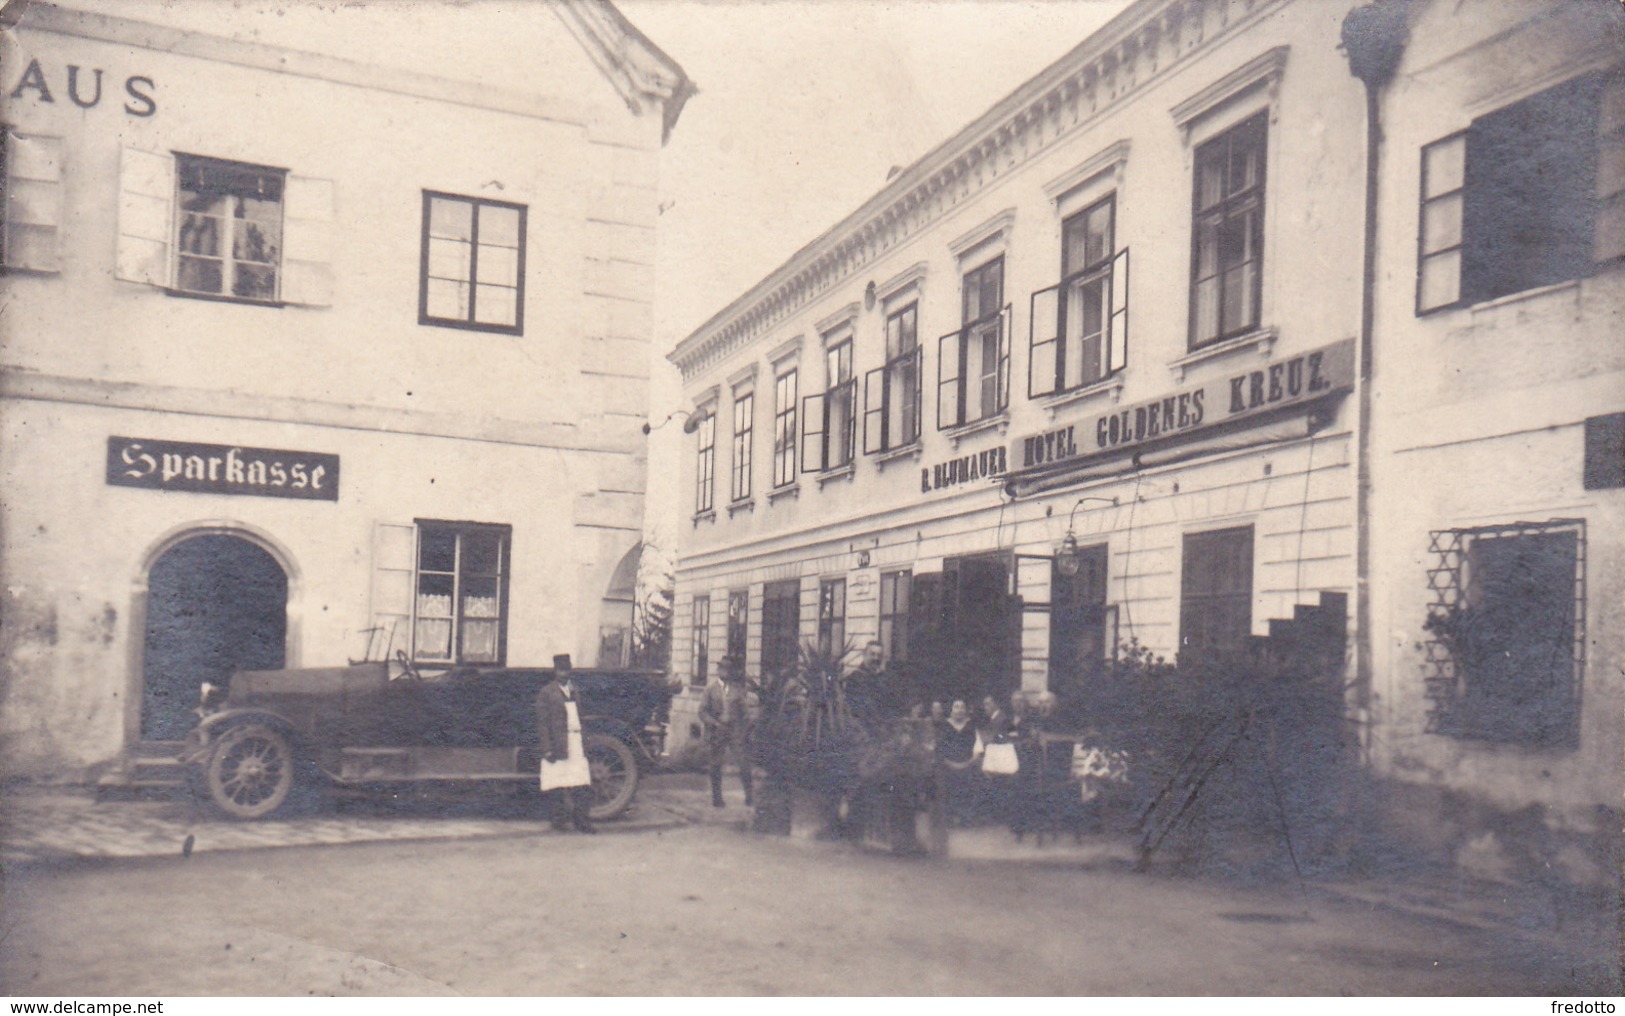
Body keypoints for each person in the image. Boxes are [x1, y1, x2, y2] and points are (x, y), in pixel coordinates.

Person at [536, 654, 595, 833]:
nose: (564, 674)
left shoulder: (575, 690)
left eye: (566, 670)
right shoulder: (546, 693)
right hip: (558, 743)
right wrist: (547, 748)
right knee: (557, 782)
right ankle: (559, 820)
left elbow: (580, 717)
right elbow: (542, 723)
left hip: (575, 740)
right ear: (555, 672)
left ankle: (582, 822)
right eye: (560, 670)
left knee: (581, 782)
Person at [700, 653, 756, 808]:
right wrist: (713, 723)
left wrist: (746, 726)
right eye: (722, 668)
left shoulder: (737, 690)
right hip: (717, 731)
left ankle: (749, 796)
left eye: (728, 669)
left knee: (744, 763)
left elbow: (745, 711)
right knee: (715, 764)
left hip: (734, 730)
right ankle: (717, 799)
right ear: (718, 670)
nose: (725, 672)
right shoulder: (710, 689)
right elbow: (702, 712)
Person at [935, 699, 984, 825]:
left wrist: (969, 762)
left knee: (970, 782)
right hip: (948, 765)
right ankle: (950, 817)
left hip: (968, 764)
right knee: (947, 783)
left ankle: (966, 817)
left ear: (966, 710)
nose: (959, 710)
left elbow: (978, 748)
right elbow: (939, 749)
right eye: (956, 707)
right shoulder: (943, 726)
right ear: (951, 710)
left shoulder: (971, 726)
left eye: (962, 707)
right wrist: (951, 764)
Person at [843, 640, 894, 727]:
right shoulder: (855, 677)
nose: (876, 658)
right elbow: (854, 709)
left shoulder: (883, 677)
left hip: (882, 727)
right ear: (864, 654)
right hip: (862, 728)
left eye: (879, 655)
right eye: (872, 654)